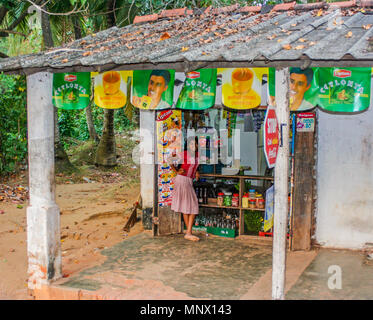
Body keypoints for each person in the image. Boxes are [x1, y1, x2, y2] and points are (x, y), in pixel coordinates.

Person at [170, 136, 200, 241]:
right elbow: (170, 159)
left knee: (186, 207)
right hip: (182, 180)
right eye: (191, 144)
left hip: (189, 181)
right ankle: (188, 232)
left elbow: (194, 166)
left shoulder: (197, 155)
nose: (194, 146)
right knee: (193, 205)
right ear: (188, 145)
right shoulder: (185, 154)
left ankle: (188, 232)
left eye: (195, 144)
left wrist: (196, 171)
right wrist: (176, 170)